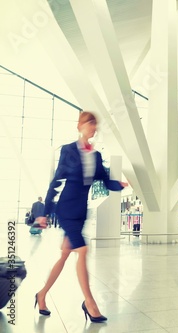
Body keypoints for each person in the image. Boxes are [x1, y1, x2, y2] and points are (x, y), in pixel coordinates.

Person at [33, 111, 128, 323]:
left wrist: (119, 185)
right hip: (66, 209)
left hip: (80, 212)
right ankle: (90, 303)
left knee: (65, 255)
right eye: (89, 123)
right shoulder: (68, 151)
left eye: (95, 124)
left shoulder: (95, 155)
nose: (93, 127)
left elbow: (104, 180)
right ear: (80, 126)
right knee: (83, 250)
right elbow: (56, 182)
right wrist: (44, 213)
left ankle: (41, 294)